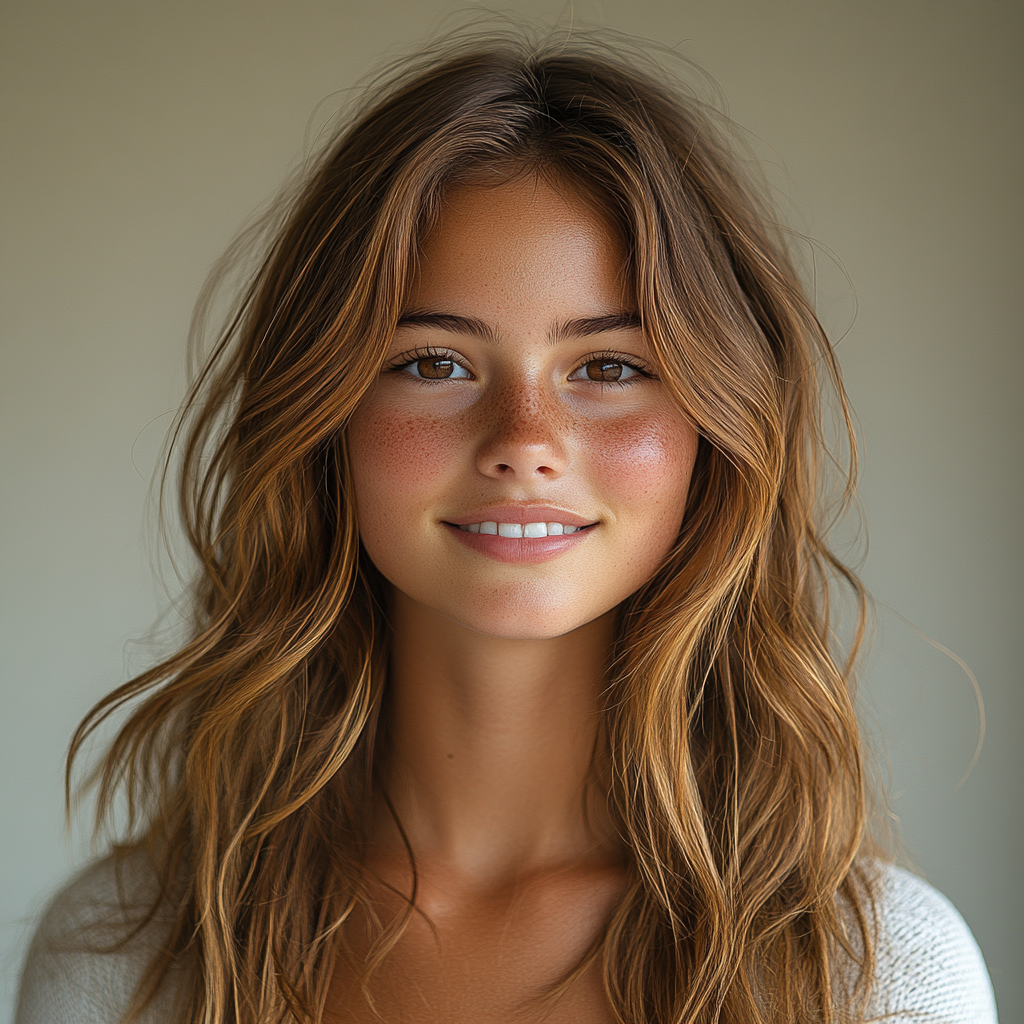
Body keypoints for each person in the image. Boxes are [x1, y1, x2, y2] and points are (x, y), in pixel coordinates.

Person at [15, 32, 998, 1024]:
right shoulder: (127, 951)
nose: (524, 442)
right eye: (434, 362)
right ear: (324, 416)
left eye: (609, 367)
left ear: (719, 431)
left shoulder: (874, 975)